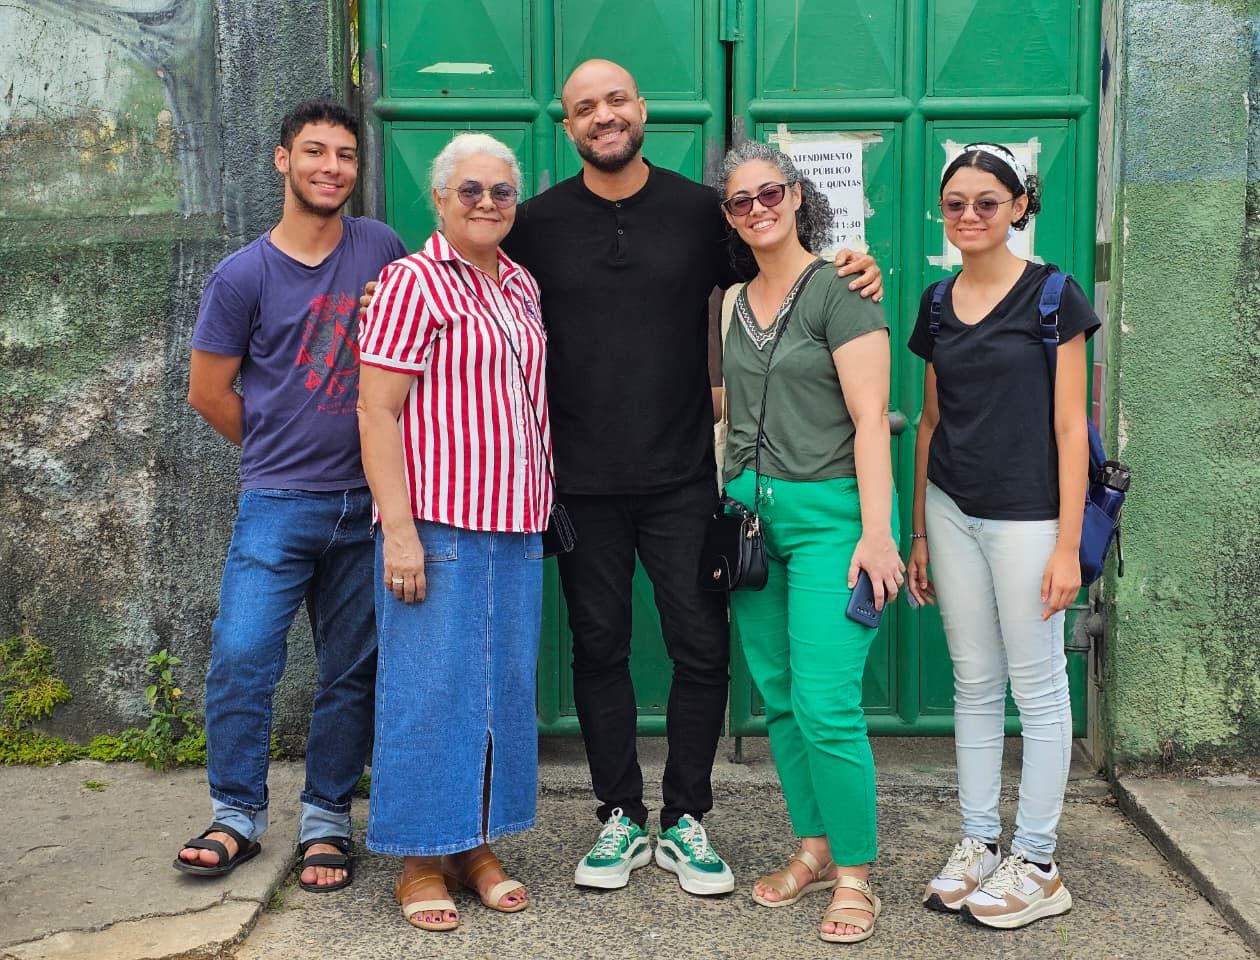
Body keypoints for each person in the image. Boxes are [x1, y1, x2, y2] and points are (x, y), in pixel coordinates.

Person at [497, 59, 884, 897]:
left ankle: (685, 819)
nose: (603, 116)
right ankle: (618, 818)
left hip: (686, 479)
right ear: (567, 128)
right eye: (584, 108)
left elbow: (781, 264)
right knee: (599, 650)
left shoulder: (699, 213)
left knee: (700, 650)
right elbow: (470, 276)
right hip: (578, 483)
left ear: (642, 109)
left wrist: (854, 266)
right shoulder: (531, 224)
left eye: (616, 101)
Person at [176, 100, 406, 891]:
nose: (331, 167)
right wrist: (277, 446)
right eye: (315, 152)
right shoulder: (243, 275)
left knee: (352, 669)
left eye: (345, 155)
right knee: (242, 656)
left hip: (371, 501)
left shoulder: (381, 247)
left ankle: (326, 818)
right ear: (283, 161)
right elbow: (207, 394)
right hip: (278, 502)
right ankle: (236, 812)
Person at [357, 132, 552, 932]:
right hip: (438, 524)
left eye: (500, 192)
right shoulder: (411, 282)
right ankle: (417, 861)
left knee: (501, 691)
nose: (486, 204)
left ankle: (476, 846)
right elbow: (377, 410)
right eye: (469, 190)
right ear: (439, 199)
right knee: (429, 692)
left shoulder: (519, 285)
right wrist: (397, 531)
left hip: (518, 524)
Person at [715, 140, 902, 944]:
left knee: (827, 703)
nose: (756, 209)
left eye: (769, 194)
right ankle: (815, 848)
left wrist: (877, 533)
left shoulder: (841, 289)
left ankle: (857, 875)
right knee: (782, 700)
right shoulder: (729, 303)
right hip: (753, 525)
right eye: (739, 201)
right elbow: (726, 415)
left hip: (834, 523)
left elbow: (870, 422)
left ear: (796, 196)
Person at [907, 142, 1096, 929]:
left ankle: (1039, 862)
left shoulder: (1053, 297)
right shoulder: (939, 300)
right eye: (956, 204)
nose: (971, 216)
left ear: (1019, 206)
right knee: (975, 682)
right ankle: (981, 842)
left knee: (1040, 689)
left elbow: (1070, 428)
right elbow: (928, 420)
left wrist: (1066, 546)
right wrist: (917, 529)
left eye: (988, 201)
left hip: (1029, 518)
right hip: (953, 509)